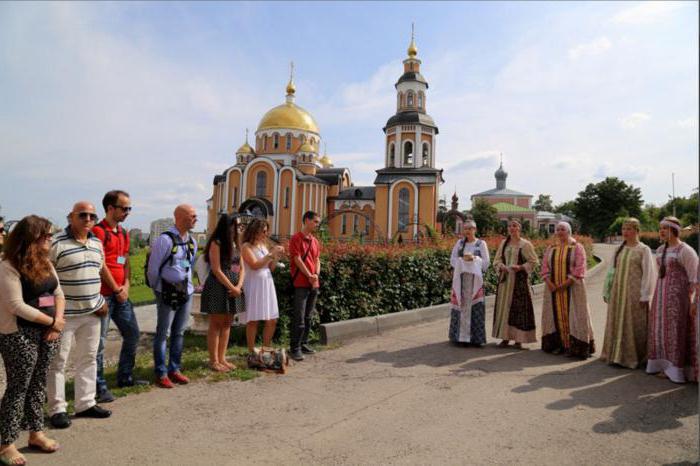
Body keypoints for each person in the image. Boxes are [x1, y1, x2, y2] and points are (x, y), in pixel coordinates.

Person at [0, 216, 66, 465]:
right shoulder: (8, 265)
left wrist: (57, 322)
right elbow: (15, 305)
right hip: (18, 335)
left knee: (38, 384)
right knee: (18, 388)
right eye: (46, 235)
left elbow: (58, 293)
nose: (50, 238)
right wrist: (51, 322)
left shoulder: (46, 262)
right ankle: (6, 443)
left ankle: (36, 433)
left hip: (48, 332)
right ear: (31, 237)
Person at [47, 202, 112, 429]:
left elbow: (98, 272)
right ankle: (57, 409)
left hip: (92, 313)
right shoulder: (56, 243)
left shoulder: (96, 243)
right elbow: (44, 281)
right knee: (58, 362)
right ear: (70, 217)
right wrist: (52, 312)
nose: (87, 219)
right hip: (65, 316)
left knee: (88, 358)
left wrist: (102, 300)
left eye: (92, 215)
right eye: (82, 215)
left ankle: (85, 403)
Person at [93, 190, 147, 404]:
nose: (127, 212)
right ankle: (99, 386)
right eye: (124, 208)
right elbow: (100, 264)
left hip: (120, 294)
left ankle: (125, 376)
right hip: (104, 296)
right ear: (110, 208)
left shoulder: (124, 233)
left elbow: (124, 261)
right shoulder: (98, 232)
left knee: (133, 334)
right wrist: (116, 288)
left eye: (129, 208)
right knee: (100, 343)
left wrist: (125, 286)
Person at [147, 204, 198, 389]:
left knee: (179, 332)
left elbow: (189, 265)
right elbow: (153, 269)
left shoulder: (192, 241)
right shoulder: (164, 240)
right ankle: (161, 372)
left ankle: (174, 369)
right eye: (193, 215)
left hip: (186, 291)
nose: (196, 218)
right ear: (181, 217)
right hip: (166, 292)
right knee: (163, 334)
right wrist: (157, 289)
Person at [647, 216, 698, 383]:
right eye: (660, 228)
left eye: (665, 228)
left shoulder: (685, 250)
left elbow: (693, 277)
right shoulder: (660, 249)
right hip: (660, 297)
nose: (661, 231)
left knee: (675, 332)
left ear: (674, 230)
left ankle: (675, 369)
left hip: (677, 299)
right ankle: (661, 365)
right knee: (659, 330)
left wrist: (691, 301)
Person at [600, 218, 656, 369]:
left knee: (631, 324)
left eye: (629, 229)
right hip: (618, 292)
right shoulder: (619, 249)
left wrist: (645, 295)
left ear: (637, 231)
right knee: (617, 321)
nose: (625, 232)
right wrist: (607, 290)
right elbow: (611, 272)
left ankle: (632, 357)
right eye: (624, 229)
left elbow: (648, 274)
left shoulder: (643, 250)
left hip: (634, 293)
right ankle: (614, 355)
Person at [541, 221, 595, 358]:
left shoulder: (577, 247)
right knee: (555, 315)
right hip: (553, 289)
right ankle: (559, 345)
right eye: (558, 229)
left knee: (575, 315)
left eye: (563, 229)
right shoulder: (551, 248)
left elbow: (580, 266)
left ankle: (575, 347)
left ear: (569, 231)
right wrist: (549, 282)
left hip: (573, 287)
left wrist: (566, 283)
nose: (560, 232)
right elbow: (545, 266)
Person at [200, 214, 244, 372]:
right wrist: (232, 288)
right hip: (218, 287)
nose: (239, 228)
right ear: (228, 226)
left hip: (234, 287)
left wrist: (238, 285)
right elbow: (216, 269)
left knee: (227, 323)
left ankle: (223, 358)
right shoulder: (216, 243)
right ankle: (214, 361)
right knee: (216, 324)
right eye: (237, 225)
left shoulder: (236, 244)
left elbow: (242, 267)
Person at [241, 218, 284, 359]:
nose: (266, 234)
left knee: (271, 319)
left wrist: (276, 257)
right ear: (255, 230)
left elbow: (270, 268)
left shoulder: (263, 246)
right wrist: (270, 254)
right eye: (263, 231)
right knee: (253, 319)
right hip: (254, 284)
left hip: (267, 283)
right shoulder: (246, 246)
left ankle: (266, 349)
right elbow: (254, 265)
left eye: (267, 231)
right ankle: (251, 350)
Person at [492, 220, 539, 349]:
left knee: (519, 309)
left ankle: (519, 339)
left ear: (519, 228)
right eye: (509, 226)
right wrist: (501, 266)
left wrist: (520, 267)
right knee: (504, 308)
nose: (511, 228)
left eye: (514, 226)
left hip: (519, 282)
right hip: (505, 281)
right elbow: (497, 260)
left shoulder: (525, 244)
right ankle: (505, 338)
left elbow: (534, 261)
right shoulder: (504, 243)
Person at [449, 220, 490, 346]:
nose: (467, 231)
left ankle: (475, 339)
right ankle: (460, 337)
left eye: (470, 228)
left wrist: (475, 260)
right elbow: (452, 259)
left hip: (475, 281)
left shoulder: (481, 243)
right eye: (466, 229)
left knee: (475, 307)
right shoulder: (460, 243)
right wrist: (462, 262)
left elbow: (486, 262)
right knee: (461, 307)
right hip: (461, 280)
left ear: (475, 230)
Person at [288, 211, 321, 361]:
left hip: (313, 282)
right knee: (299, 316)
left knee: (308, 316)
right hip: (301, 282)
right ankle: (295, 347)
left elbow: (317, 259)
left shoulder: (314, 240)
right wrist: (309, 275)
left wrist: (316, 275)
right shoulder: (296, 238)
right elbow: (297, 259)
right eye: (315, 221)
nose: (317, 224)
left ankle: (304, 343)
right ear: (306, 220)